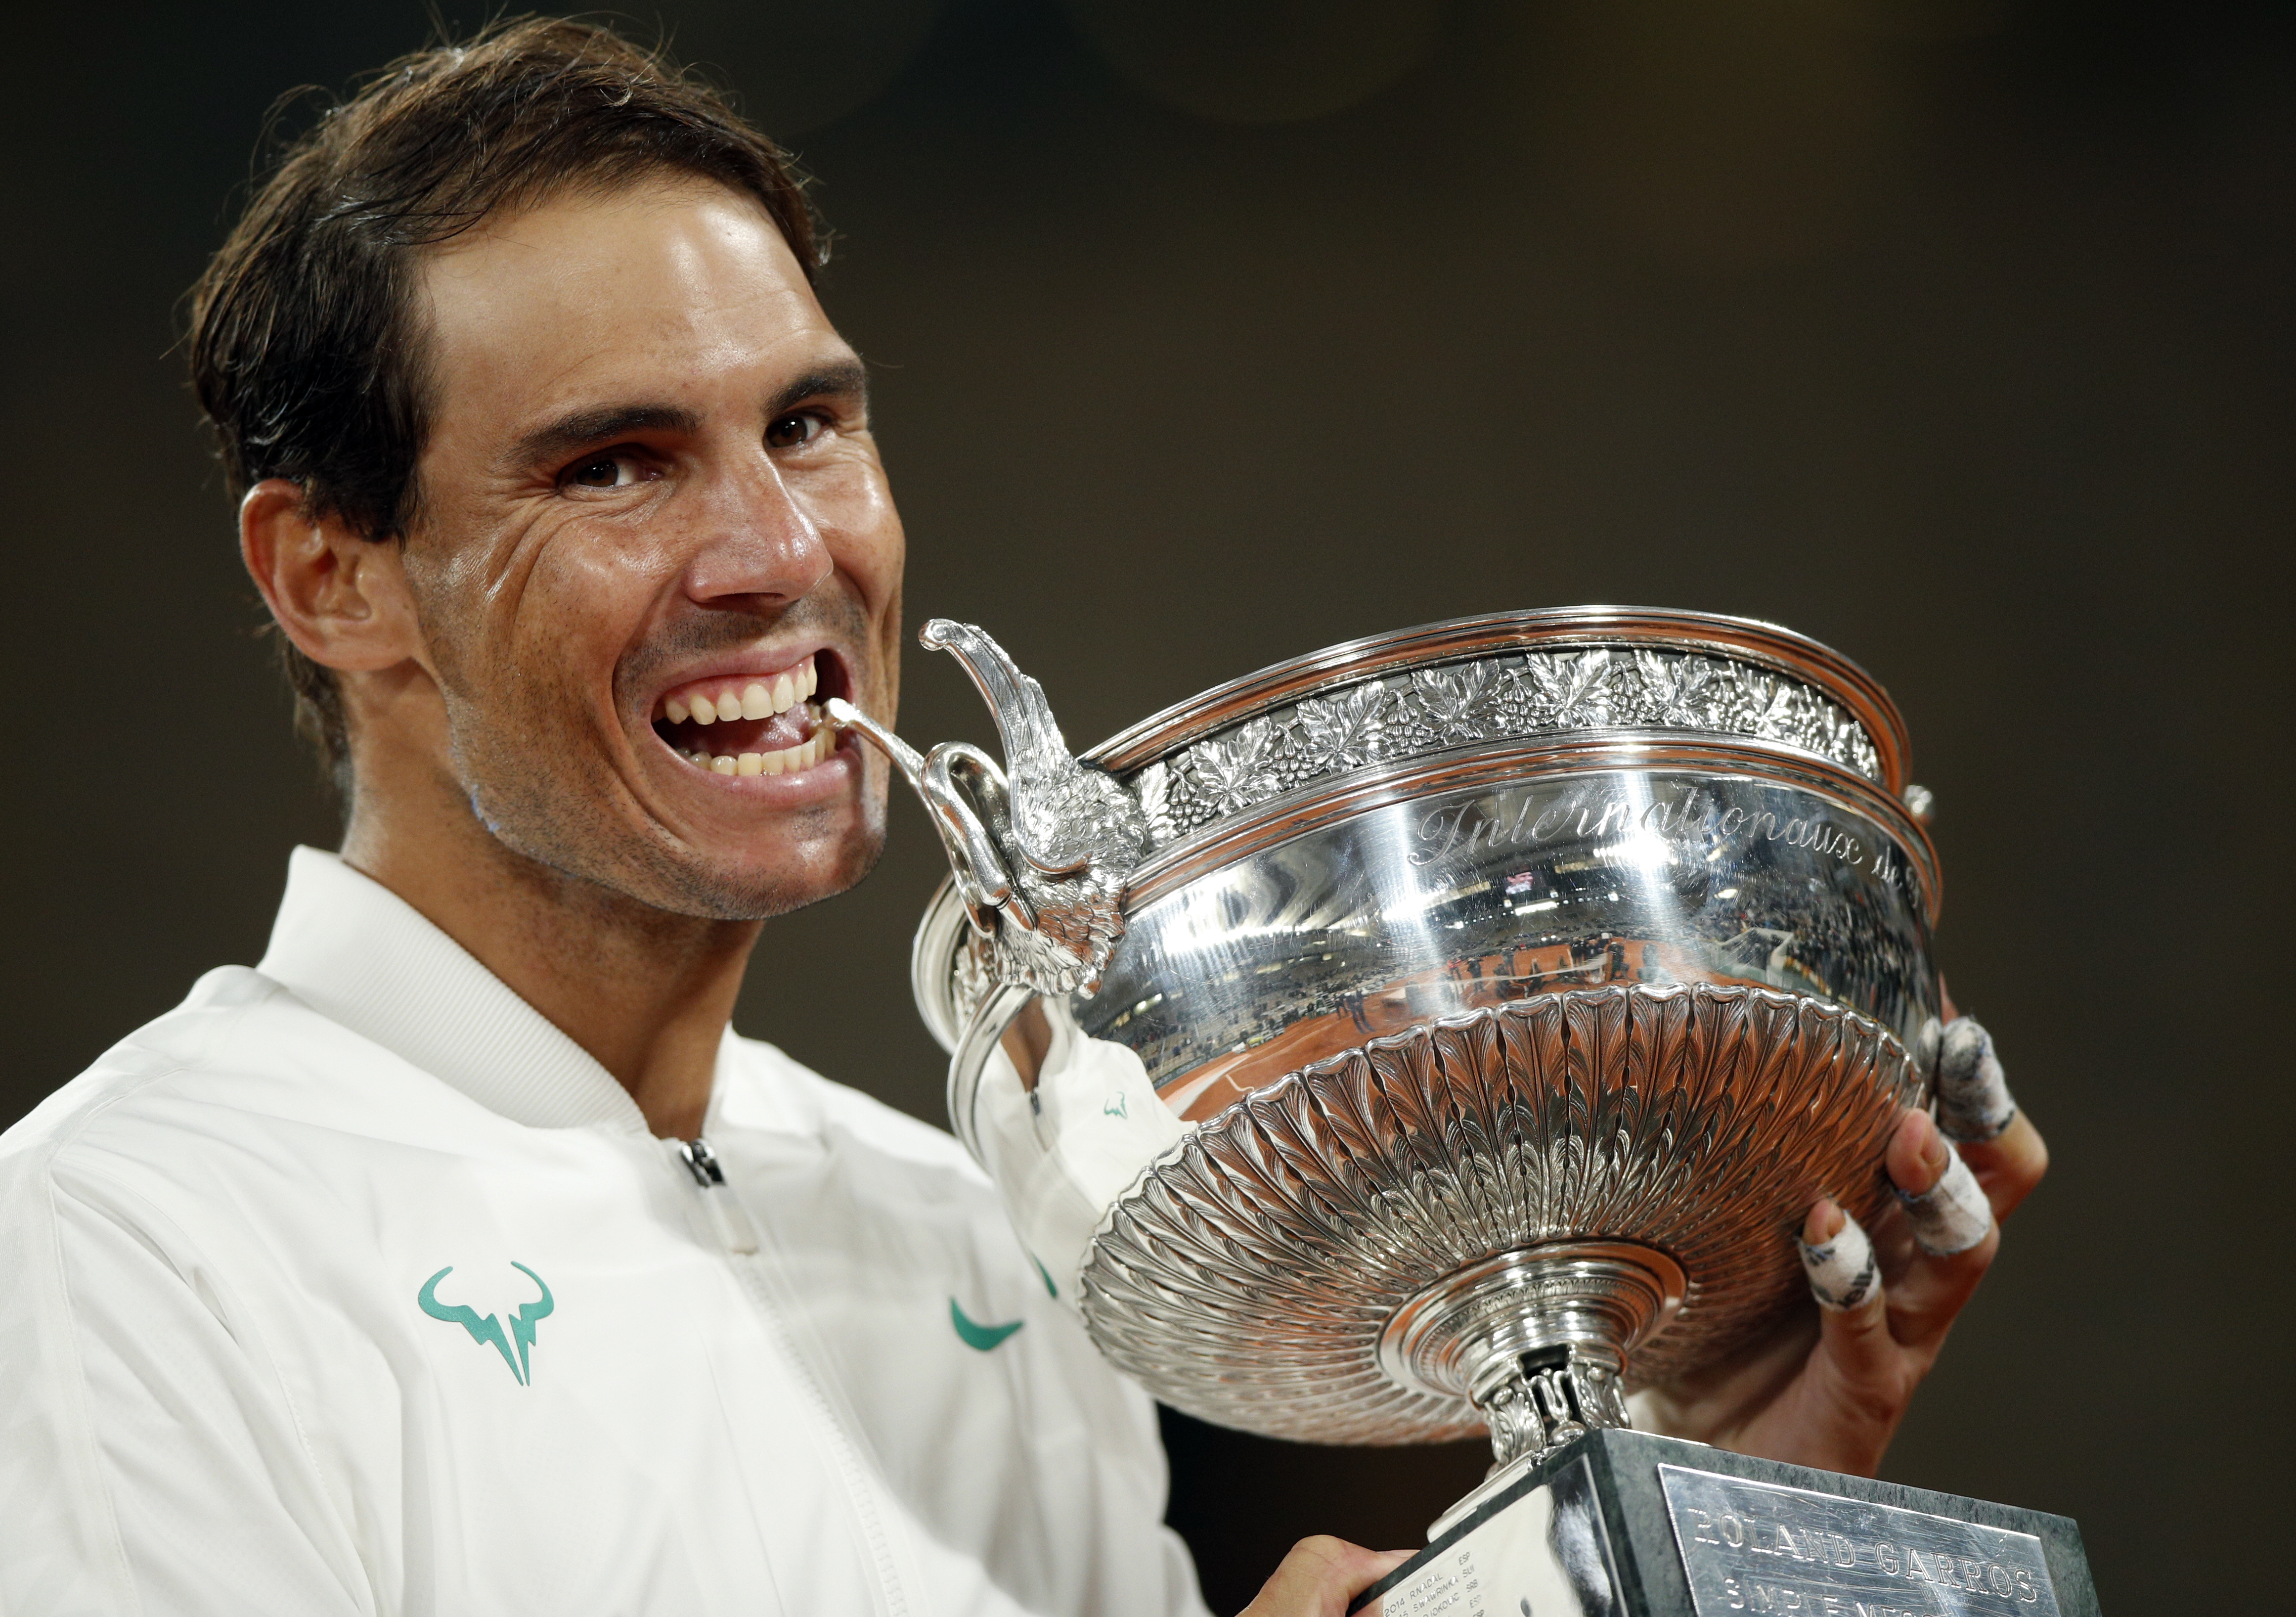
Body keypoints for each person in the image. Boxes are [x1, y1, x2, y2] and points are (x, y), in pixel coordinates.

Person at [0, 18, 2048, 1617]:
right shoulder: (115, 1249)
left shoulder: (976, 1225)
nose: (778, 549)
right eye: (615, 465)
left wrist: (1665, 1483)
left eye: (808, 422)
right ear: (333, 575)